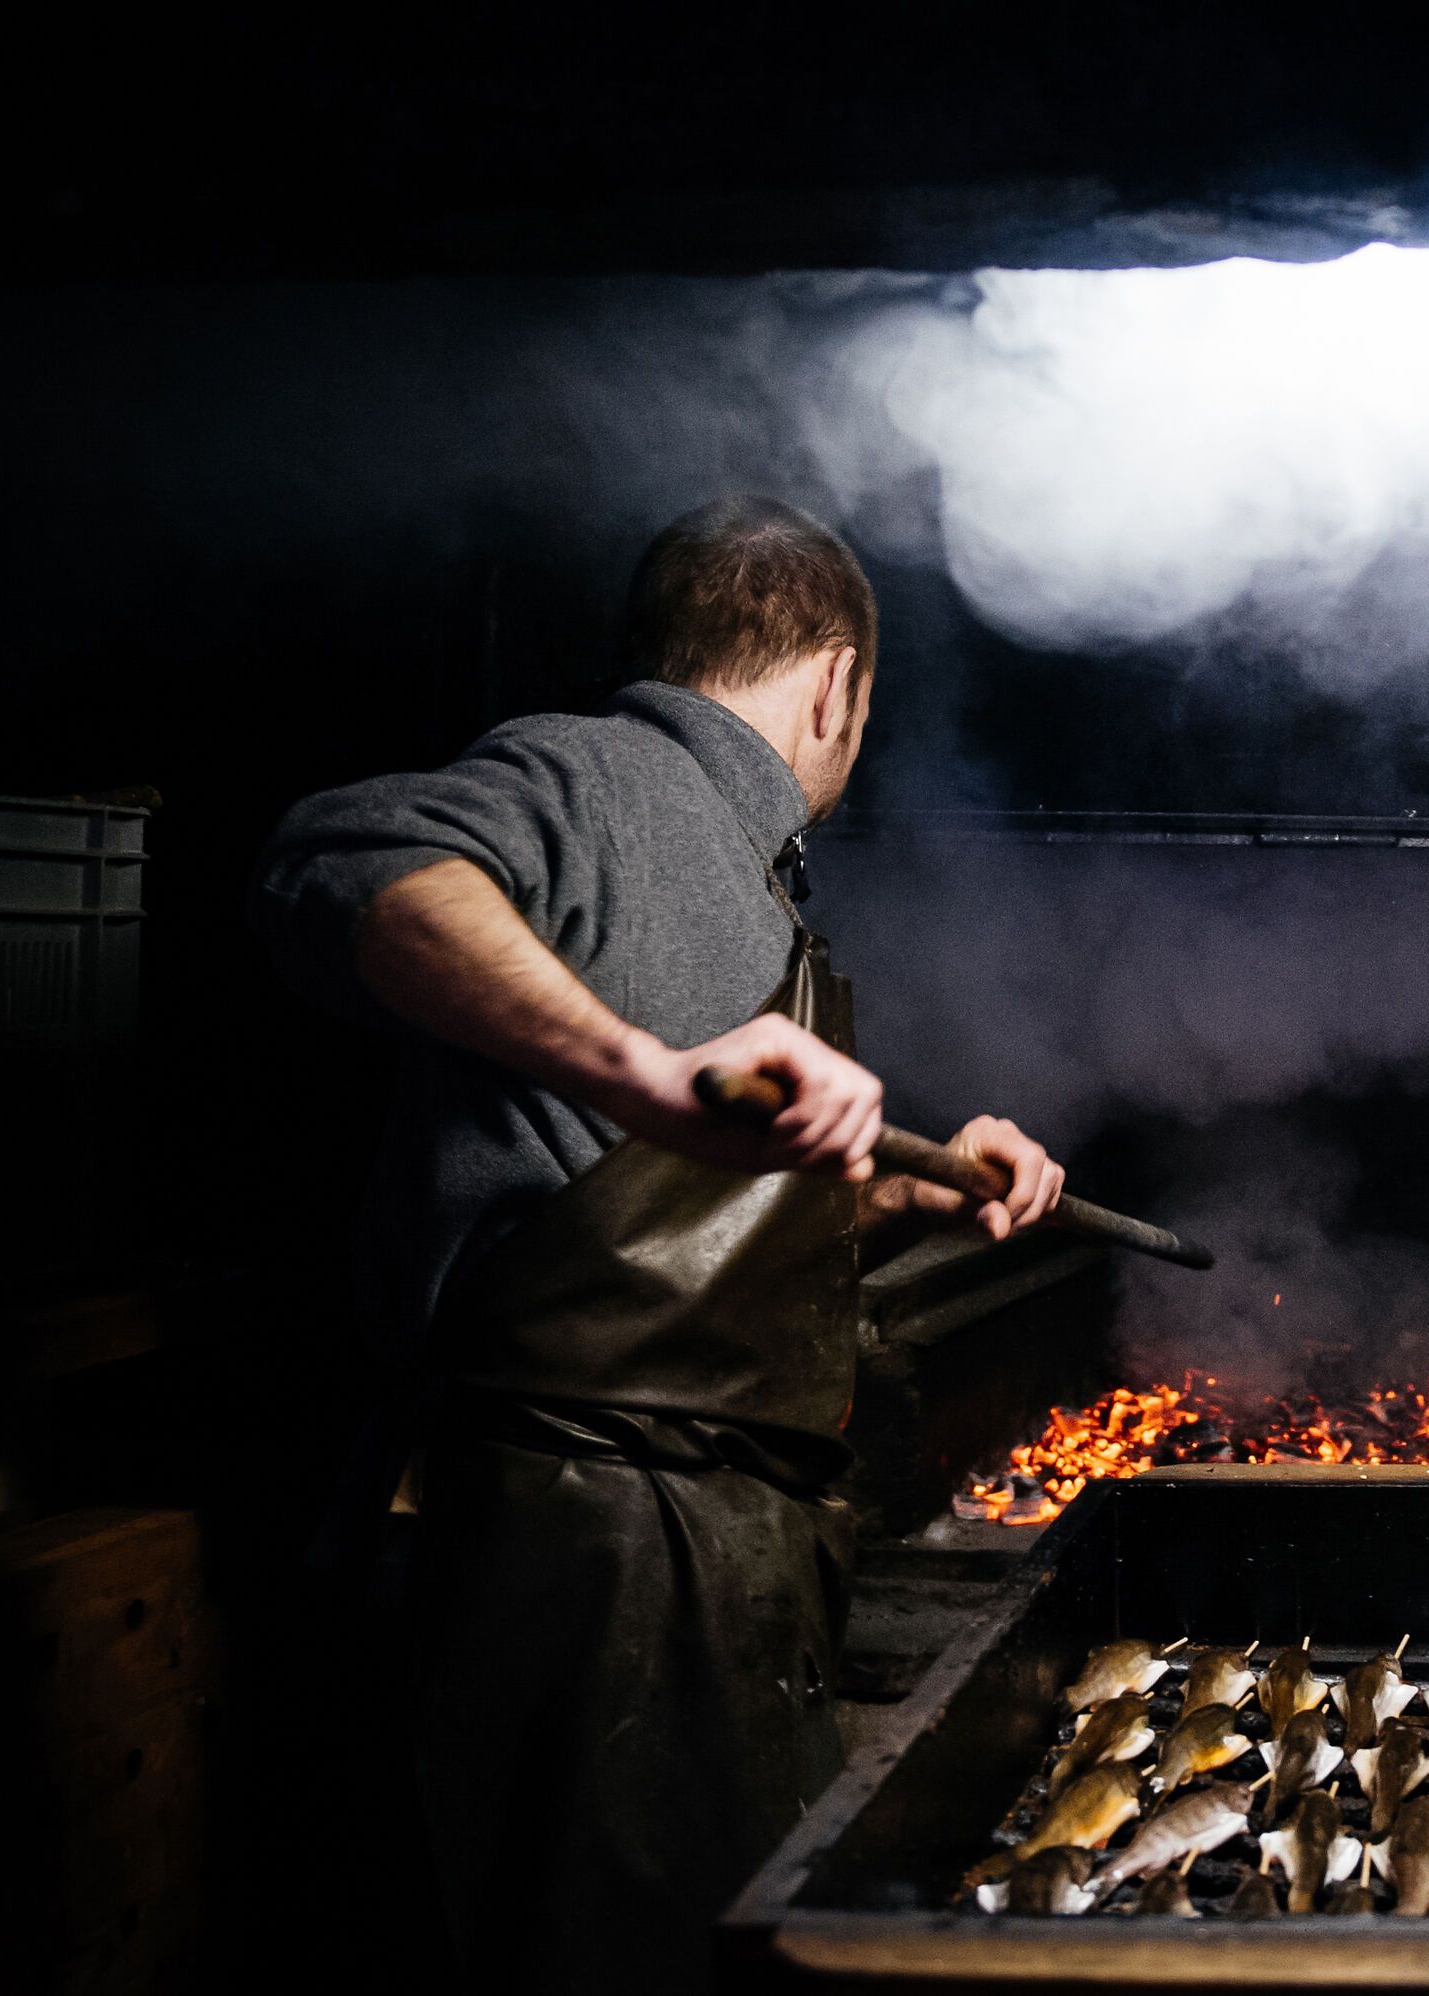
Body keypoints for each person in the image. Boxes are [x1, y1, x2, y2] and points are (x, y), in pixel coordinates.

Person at [255, 496, 1062, 1992]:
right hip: (582, 1555)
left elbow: (680, 1235)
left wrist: (900, 1200)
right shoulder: (603, 775)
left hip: (712, 1558)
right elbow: (342, 862)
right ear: (838, 683)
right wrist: (642, 1069)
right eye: (859, 707)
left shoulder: (748, 874)